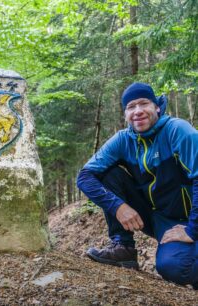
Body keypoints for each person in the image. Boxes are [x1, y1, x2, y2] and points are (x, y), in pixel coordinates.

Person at [77, 82, 198, 288]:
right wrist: (118, 207)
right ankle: (123, 247)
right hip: (159, 218)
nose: (138, 111)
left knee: (175, 267)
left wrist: (192, 230)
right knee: (106, 173)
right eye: (131, 107)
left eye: (144, 104)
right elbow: (85, 176)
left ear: (157, 107)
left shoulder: (179, 131)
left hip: (190, 219)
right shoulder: (124, 140)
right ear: (125, 113)